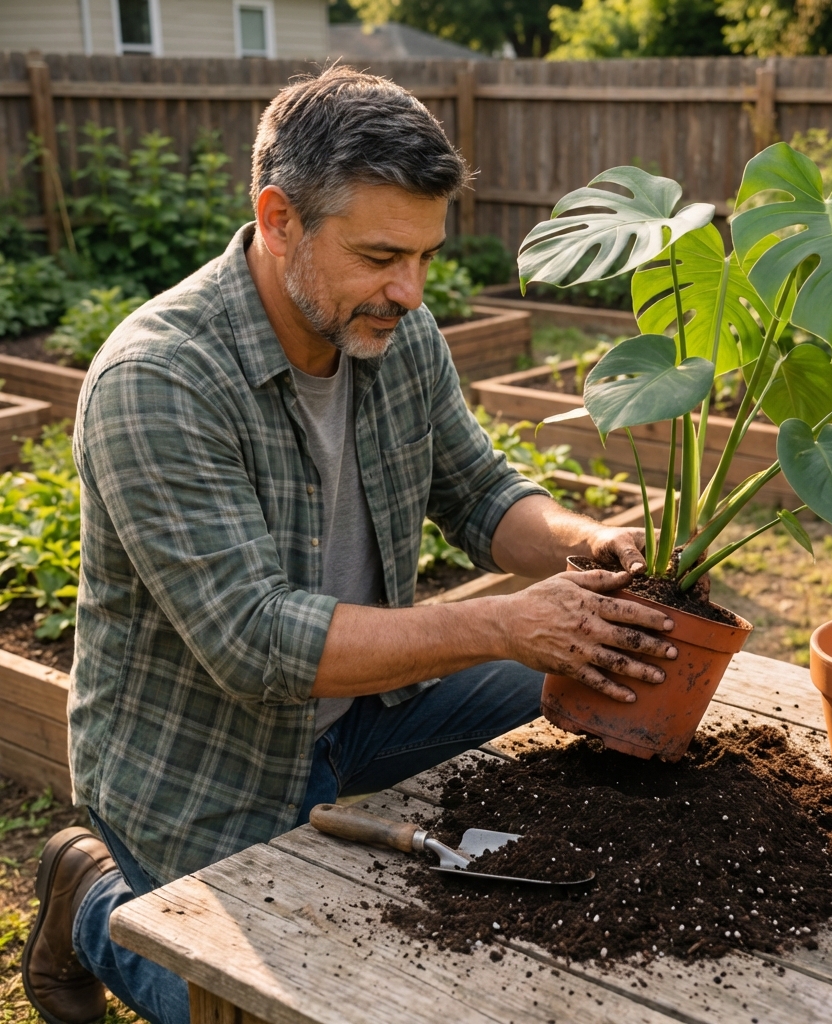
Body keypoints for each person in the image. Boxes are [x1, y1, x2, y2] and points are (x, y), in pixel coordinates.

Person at [21, 66, 678, 1024]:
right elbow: (254, 642)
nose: (410, 292)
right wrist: (506, 624)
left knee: (608, 689)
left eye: (423, 256)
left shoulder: (391, 331)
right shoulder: (158, 380)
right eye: (380, 255)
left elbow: (482, 494)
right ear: (279, 217)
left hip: (366, 710)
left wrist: (589, 542)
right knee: (286, 1007)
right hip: (206, 766)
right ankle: (93, 901)